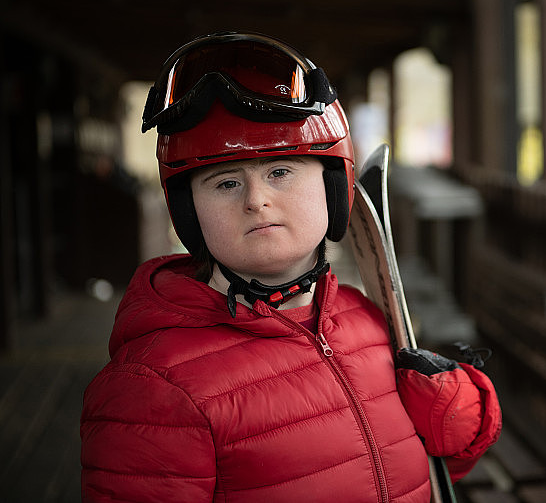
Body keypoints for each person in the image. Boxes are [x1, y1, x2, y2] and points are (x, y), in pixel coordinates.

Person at [80, 32, 501, 502]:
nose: (256, 200)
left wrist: (455, 414)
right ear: (188, 213)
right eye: (224, 183)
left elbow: (422, 472)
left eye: (280, 172)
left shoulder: (366, 318)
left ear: (332, 187)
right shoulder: (152, 388)